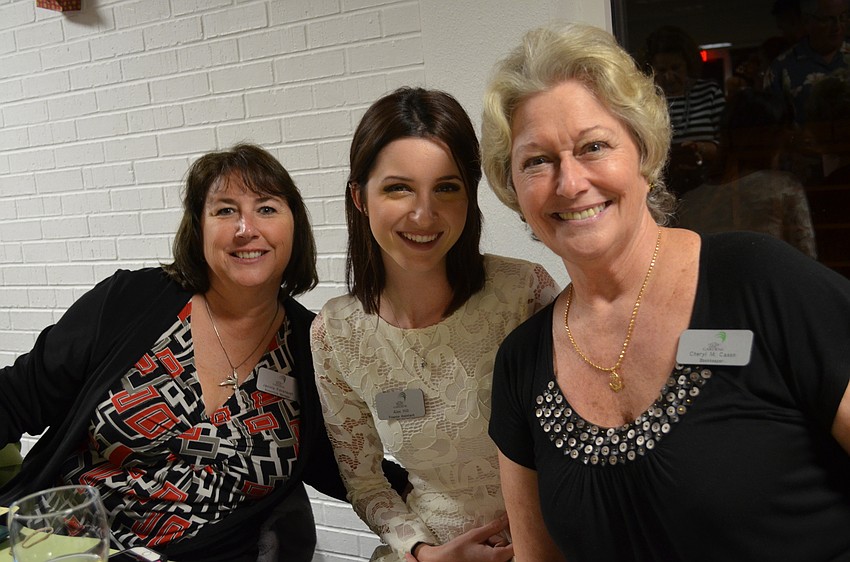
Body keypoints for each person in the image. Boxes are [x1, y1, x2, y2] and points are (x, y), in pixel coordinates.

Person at [481, 22, 850, 561]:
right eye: (537, 161)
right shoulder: (521, 363)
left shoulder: (760, 282)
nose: (569, 182)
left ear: (644, 156)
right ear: (513, 188)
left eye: (594, 146)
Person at [0, 144, 405, 561]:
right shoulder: (129, 301)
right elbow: (14, 397)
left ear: (295, 227)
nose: (246, 228)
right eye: (225, 210)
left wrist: (442, 505)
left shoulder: (313, 343)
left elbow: (346, 462)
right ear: (198, 227)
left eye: (266, 208)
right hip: (65, 546)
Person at [311, 87, 559, 562]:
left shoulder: (524, 293)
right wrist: (422, 551)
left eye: (446, 187)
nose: (424, 215)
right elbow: (364, 480)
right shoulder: (336, 332)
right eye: (398, 188)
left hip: (542, 542)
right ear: (360, 198)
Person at [678, 89, 818, 258]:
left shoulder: (691, 202)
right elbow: (807, 260)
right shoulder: (784, 187)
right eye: (787, 129)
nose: (793, 135)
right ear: (774, 136)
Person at [642, 25, 725, 196]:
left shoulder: (709, 92)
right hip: (664, 190)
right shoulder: (645, 100)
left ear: (688, 64)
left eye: (676, 68)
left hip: (711, 186)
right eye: (662, 70)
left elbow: (727, 144)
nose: (669, 77)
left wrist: (700, 148)